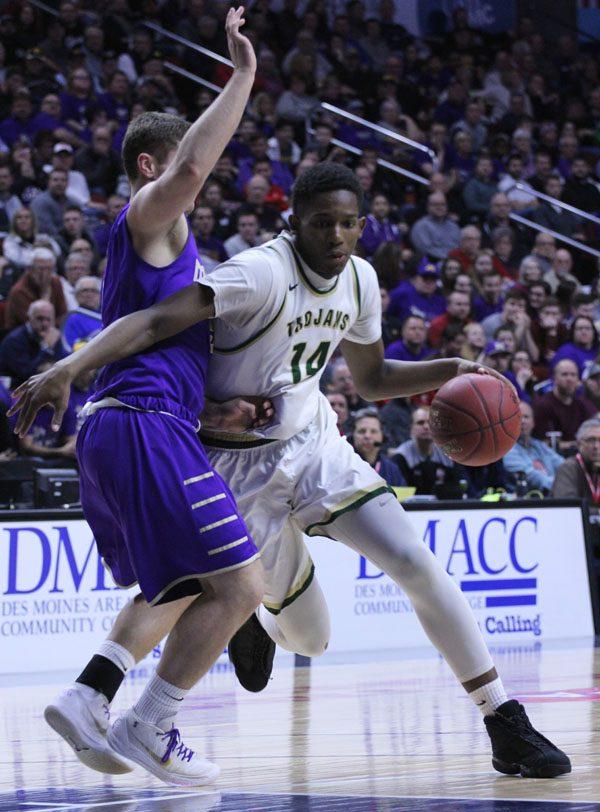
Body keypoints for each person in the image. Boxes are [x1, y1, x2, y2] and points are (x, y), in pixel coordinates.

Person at [13, 161, 570, 780]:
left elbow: (372, 379)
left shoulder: (359, 279)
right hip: (232, 464)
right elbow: (152, 324)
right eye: (321, 223)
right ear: (293, 223)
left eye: (347, 225)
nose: (335, 237)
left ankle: (502, 720)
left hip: (313, 445)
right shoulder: (258, 272)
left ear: (363, 228)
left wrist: (451, 368)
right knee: (310, 639)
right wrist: (71, 366)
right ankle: (250, 612)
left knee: (414, 561)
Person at [10, 8, 265, 788]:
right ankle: (151, 722)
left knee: (182, 583)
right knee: (243, 586)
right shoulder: (150, 215)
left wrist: (217, 410)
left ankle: (89, 695)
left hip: (132, 426)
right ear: (150, 164)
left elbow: (156, 342)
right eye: (183, 152)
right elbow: (190, 171)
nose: (201, 168)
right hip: (142, 428)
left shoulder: (167, 251)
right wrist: (244, 78)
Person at [0, 299, 67, 387]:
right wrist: (46, 347)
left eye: (48, 319)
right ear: (29, 318)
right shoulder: (14, 340)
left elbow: (60, 364)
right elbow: (26, 374)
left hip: (38, 387)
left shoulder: (52, 335)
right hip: (12, 390)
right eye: (39, 318)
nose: (44, 324)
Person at [393, 406, 458, 497]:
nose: (426, 426)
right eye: (420, 423)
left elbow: (458, 486)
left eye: (430, 423)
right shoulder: (401, 456)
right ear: (411, 428)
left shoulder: (447, 453)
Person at [533, 358, 597, 450]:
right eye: (564, 374)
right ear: (554, 378)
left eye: (573, 375)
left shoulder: (582, 403)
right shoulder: (543, 405)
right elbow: (542, 443)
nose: (569, 379)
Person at [504, 401, 564, 494]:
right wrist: (567, 485)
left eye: (526, 417)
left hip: (553, 496)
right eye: (518, 417)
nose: (522, 421)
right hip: (528, 503)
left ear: (533, 423)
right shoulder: (507, 450)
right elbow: (534, 478)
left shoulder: (539, 446)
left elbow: (563, 466)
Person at [6, 248, 66, 328]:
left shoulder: (56, 282)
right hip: (26, 337)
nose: (45, 274)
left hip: (55, 332)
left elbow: (63, 315)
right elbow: (38, 325)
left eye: (49, 269)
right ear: (30, 270)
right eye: (41, 269)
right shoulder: (19, 291)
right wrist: (45, 293)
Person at [351, 407, 405, 487]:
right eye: (362, 431)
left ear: (382, 436)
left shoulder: (392, 469)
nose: (367, 436)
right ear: (353, 436)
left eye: (373, 431)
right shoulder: (344, 466)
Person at [552, 417, 600, 502]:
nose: (596, 446)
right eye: (590, 440)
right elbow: (568, 507)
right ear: (578, 444)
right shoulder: (568, 469)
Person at [410, 192, 461, 261]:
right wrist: (449, 258)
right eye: (435, 204)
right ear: (428, 207)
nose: (439, 207)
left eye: (443, 204)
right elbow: (426, 250)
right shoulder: (421, 226)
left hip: (454, 263)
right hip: (432, 264)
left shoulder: (453, 226)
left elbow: (458, 247)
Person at [61, 276, 102, 351]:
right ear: (76, 295)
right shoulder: (73, 318)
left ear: (100, 295)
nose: (89, 294)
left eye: (93, 290)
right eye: (85, 290)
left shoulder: (107, 315)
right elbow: (70, 346)